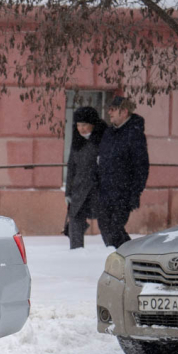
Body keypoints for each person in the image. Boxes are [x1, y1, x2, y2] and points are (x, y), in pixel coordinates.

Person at [97, 95, 150, 248]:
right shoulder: (109, 133)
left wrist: (135, 193)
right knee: (106, 228)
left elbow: (141, 167)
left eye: (113, 109)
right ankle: (125, 255)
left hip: (123, 194)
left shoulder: (134, 134)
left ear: (124, 111)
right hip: (105, 192)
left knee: (114, 229)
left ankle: (130, 254)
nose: (109, 113)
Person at [65, 106, 107, 249]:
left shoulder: (104, 140)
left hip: (99, 189)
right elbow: (71, 167)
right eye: (78, 125)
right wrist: (68, 192)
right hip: (79, 189)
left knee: (107, 223)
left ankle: (114, 249)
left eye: (84, 125)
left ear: (93, 124)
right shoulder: (77, 141)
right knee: (75, 221)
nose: (81, 129)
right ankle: (75, 252)